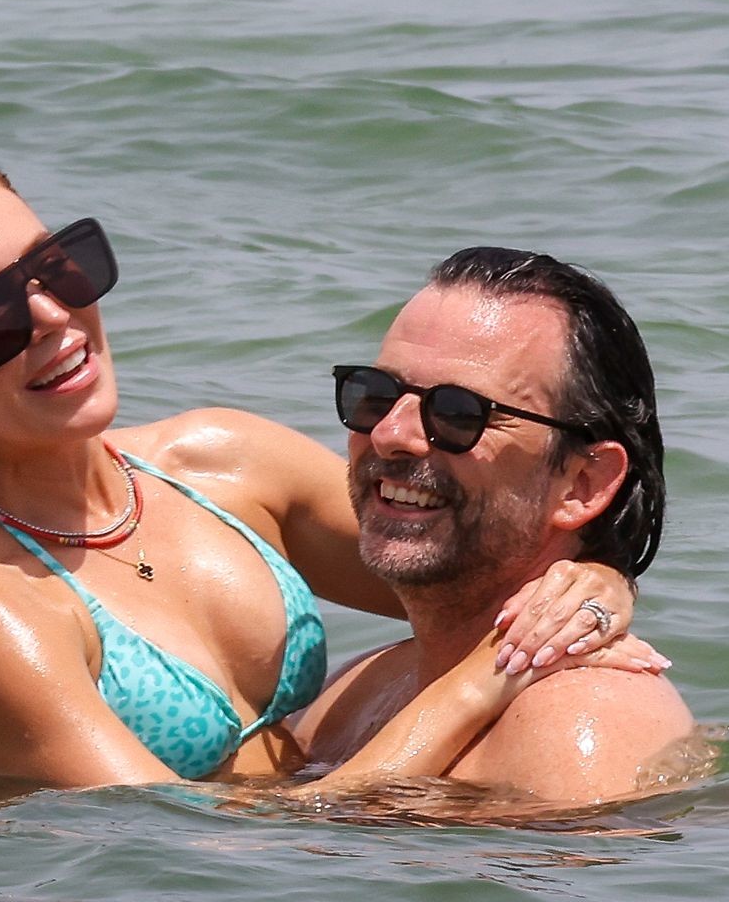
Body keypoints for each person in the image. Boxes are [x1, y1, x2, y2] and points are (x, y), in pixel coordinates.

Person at [0, 153, 667, 785]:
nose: (54, 317)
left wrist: (597, 579)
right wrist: (490, 679)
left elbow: (476, 554)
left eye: (58, 268)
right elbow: (175, 852)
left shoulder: (220, 463)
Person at [294, 248, 697, 806]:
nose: (390, 434)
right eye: (376, 394)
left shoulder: (579, 725)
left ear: (583, 483)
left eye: (459, 414)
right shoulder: (363, 688)